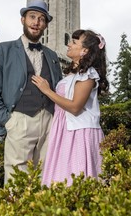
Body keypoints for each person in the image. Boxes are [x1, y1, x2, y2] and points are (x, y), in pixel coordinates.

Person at [0, 0, 62, 184]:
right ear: (23, 20)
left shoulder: (52, 56)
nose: (36, 22)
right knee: (17, 178)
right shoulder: (3, 50)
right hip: (19, 121)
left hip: (50, 123)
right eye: (32, 17)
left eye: (42, 19)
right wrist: (8, 121)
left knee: (47, 176)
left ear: (45, 25)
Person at [32, 29, 109, 186]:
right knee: (61, 179)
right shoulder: (72, 75)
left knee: (77, 180)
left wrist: (47, 91)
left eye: (74, 42)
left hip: (80, 133)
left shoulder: (88, 74)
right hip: (65, 130)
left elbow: (75, 107)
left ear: (84, 51)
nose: (69, 44)